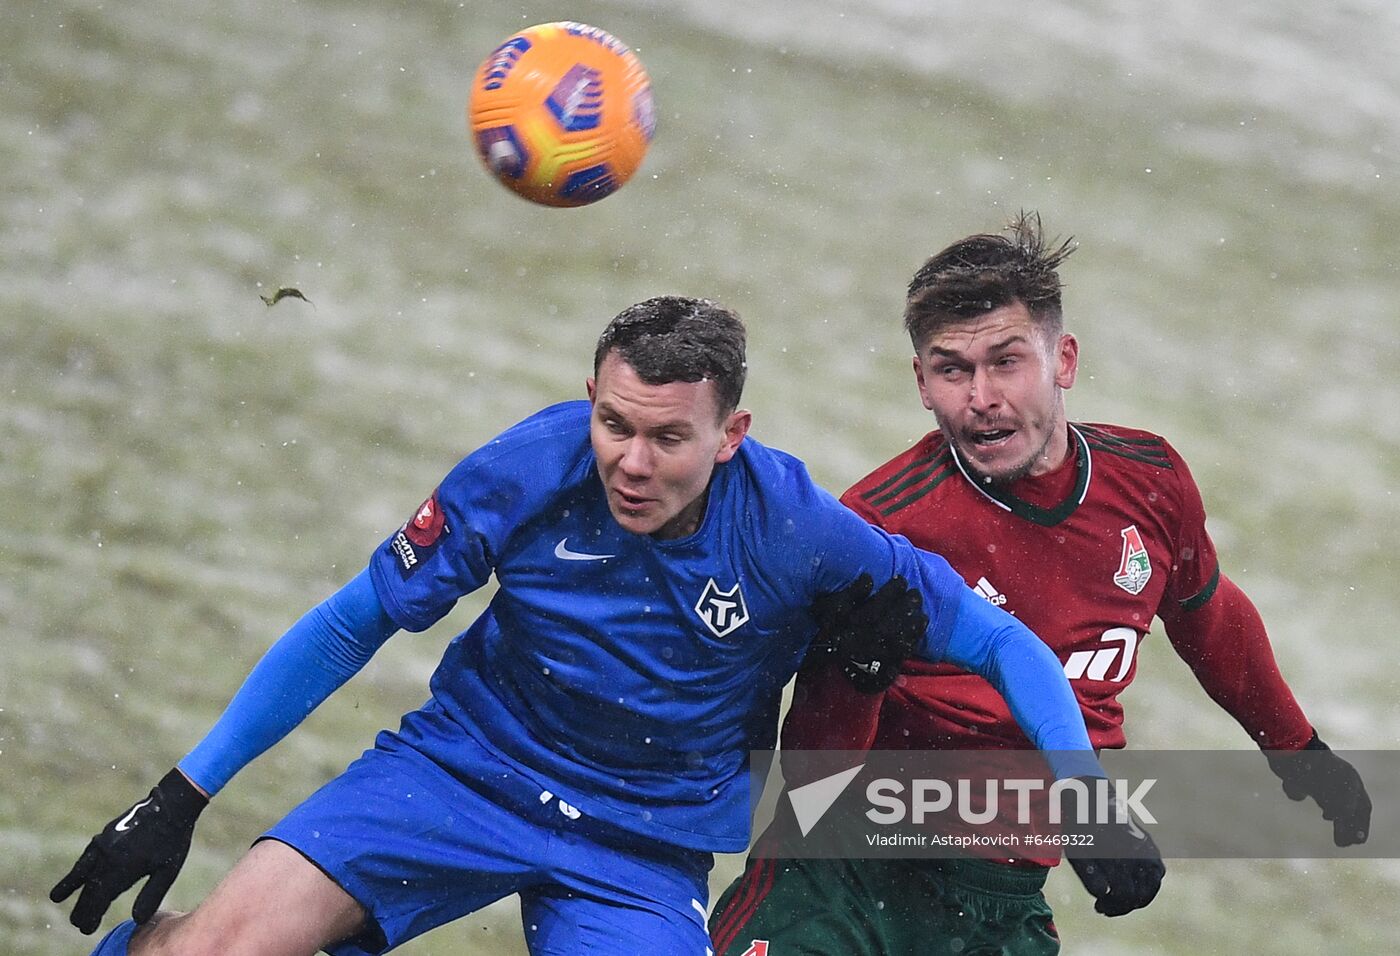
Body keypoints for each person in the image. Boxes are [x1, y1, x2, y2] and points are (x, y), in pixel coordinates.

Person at [53, 295, 1115, 956]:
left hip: (637, 844)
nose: (629, 461)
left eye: (666, 437)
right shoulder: (524, 469)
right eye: (612, 423)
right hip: (460, 773)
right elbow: (350, 626)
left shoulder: (794, 526)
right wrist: (179, 795)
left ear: (730, 434)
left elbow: (1001, 642)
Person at [709, 215, 1372, 955]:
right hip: (841, 881)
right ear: (922, 384)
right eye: (953, 368)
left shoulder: (1148, 482)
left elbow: (1206, 613)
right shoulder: (882, 529)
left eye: (1007, 361)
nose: (982, 396)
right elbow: (804, 775)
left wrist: (1295, 748)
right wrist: (860, 674)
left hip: (1000, 902)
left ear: (1064, 360)